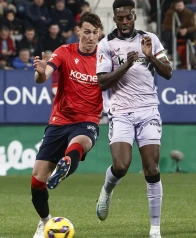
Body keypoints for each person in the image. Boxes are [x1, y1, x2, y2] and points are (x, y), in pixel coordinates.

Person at [95, 0, 172, 237]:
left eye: (128, 17)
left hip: (148, 109)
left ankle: (155, 229)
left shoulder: (149, 39)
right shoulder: (106, 44)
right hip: (120, 111)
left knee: (151, 168)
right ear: (115, 19)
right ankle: (107, 191)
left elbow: (168, 72)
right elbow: (103, 81)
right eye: (120, 18)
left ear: (134, 16)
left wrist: (150, 56)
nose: (125, 22)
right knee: (121, 165)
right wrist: (127, 64)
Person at [30, 12, 103, 238]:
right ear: (78, 31)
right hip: (59, 121)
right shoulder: (64, 51)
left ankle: (65, 165)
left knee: (80, 142)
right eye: (88, 32)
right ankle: (45, 221)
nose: (91, 37)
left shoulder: (105, 57)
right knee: (36, 180)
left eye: (96, 33)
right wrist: (41, 74)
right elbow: (44, 74)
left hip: (88, 120)